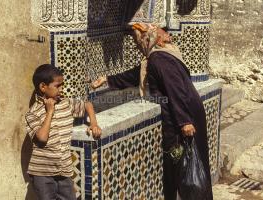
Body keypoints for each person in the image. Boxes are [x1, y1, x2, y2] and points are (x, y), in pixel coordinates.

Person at [91, 23, 213, 200]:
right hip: (188, 109)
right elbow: (137, 74)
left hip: (184, 114)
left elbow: (175, 89)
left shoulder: (159, 59)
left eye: (137, 39)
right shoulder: (160, 56)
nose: (136, 44)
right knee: (191, 163)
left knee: (187, 166)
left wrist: (184, 121)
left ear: (147, 38)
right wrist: (107, 80)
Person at [25, 64, 101, 200]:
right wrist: (50, 112)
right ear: (43, 87)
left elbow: (87, 105)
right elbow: (42, 138)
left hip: (64, 169)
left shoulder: (65, 103)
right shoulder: (33, 113)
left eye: (62, 85)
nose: (61, 89)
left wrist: (94, 123)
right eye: (57, 86)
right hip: (43, 173)